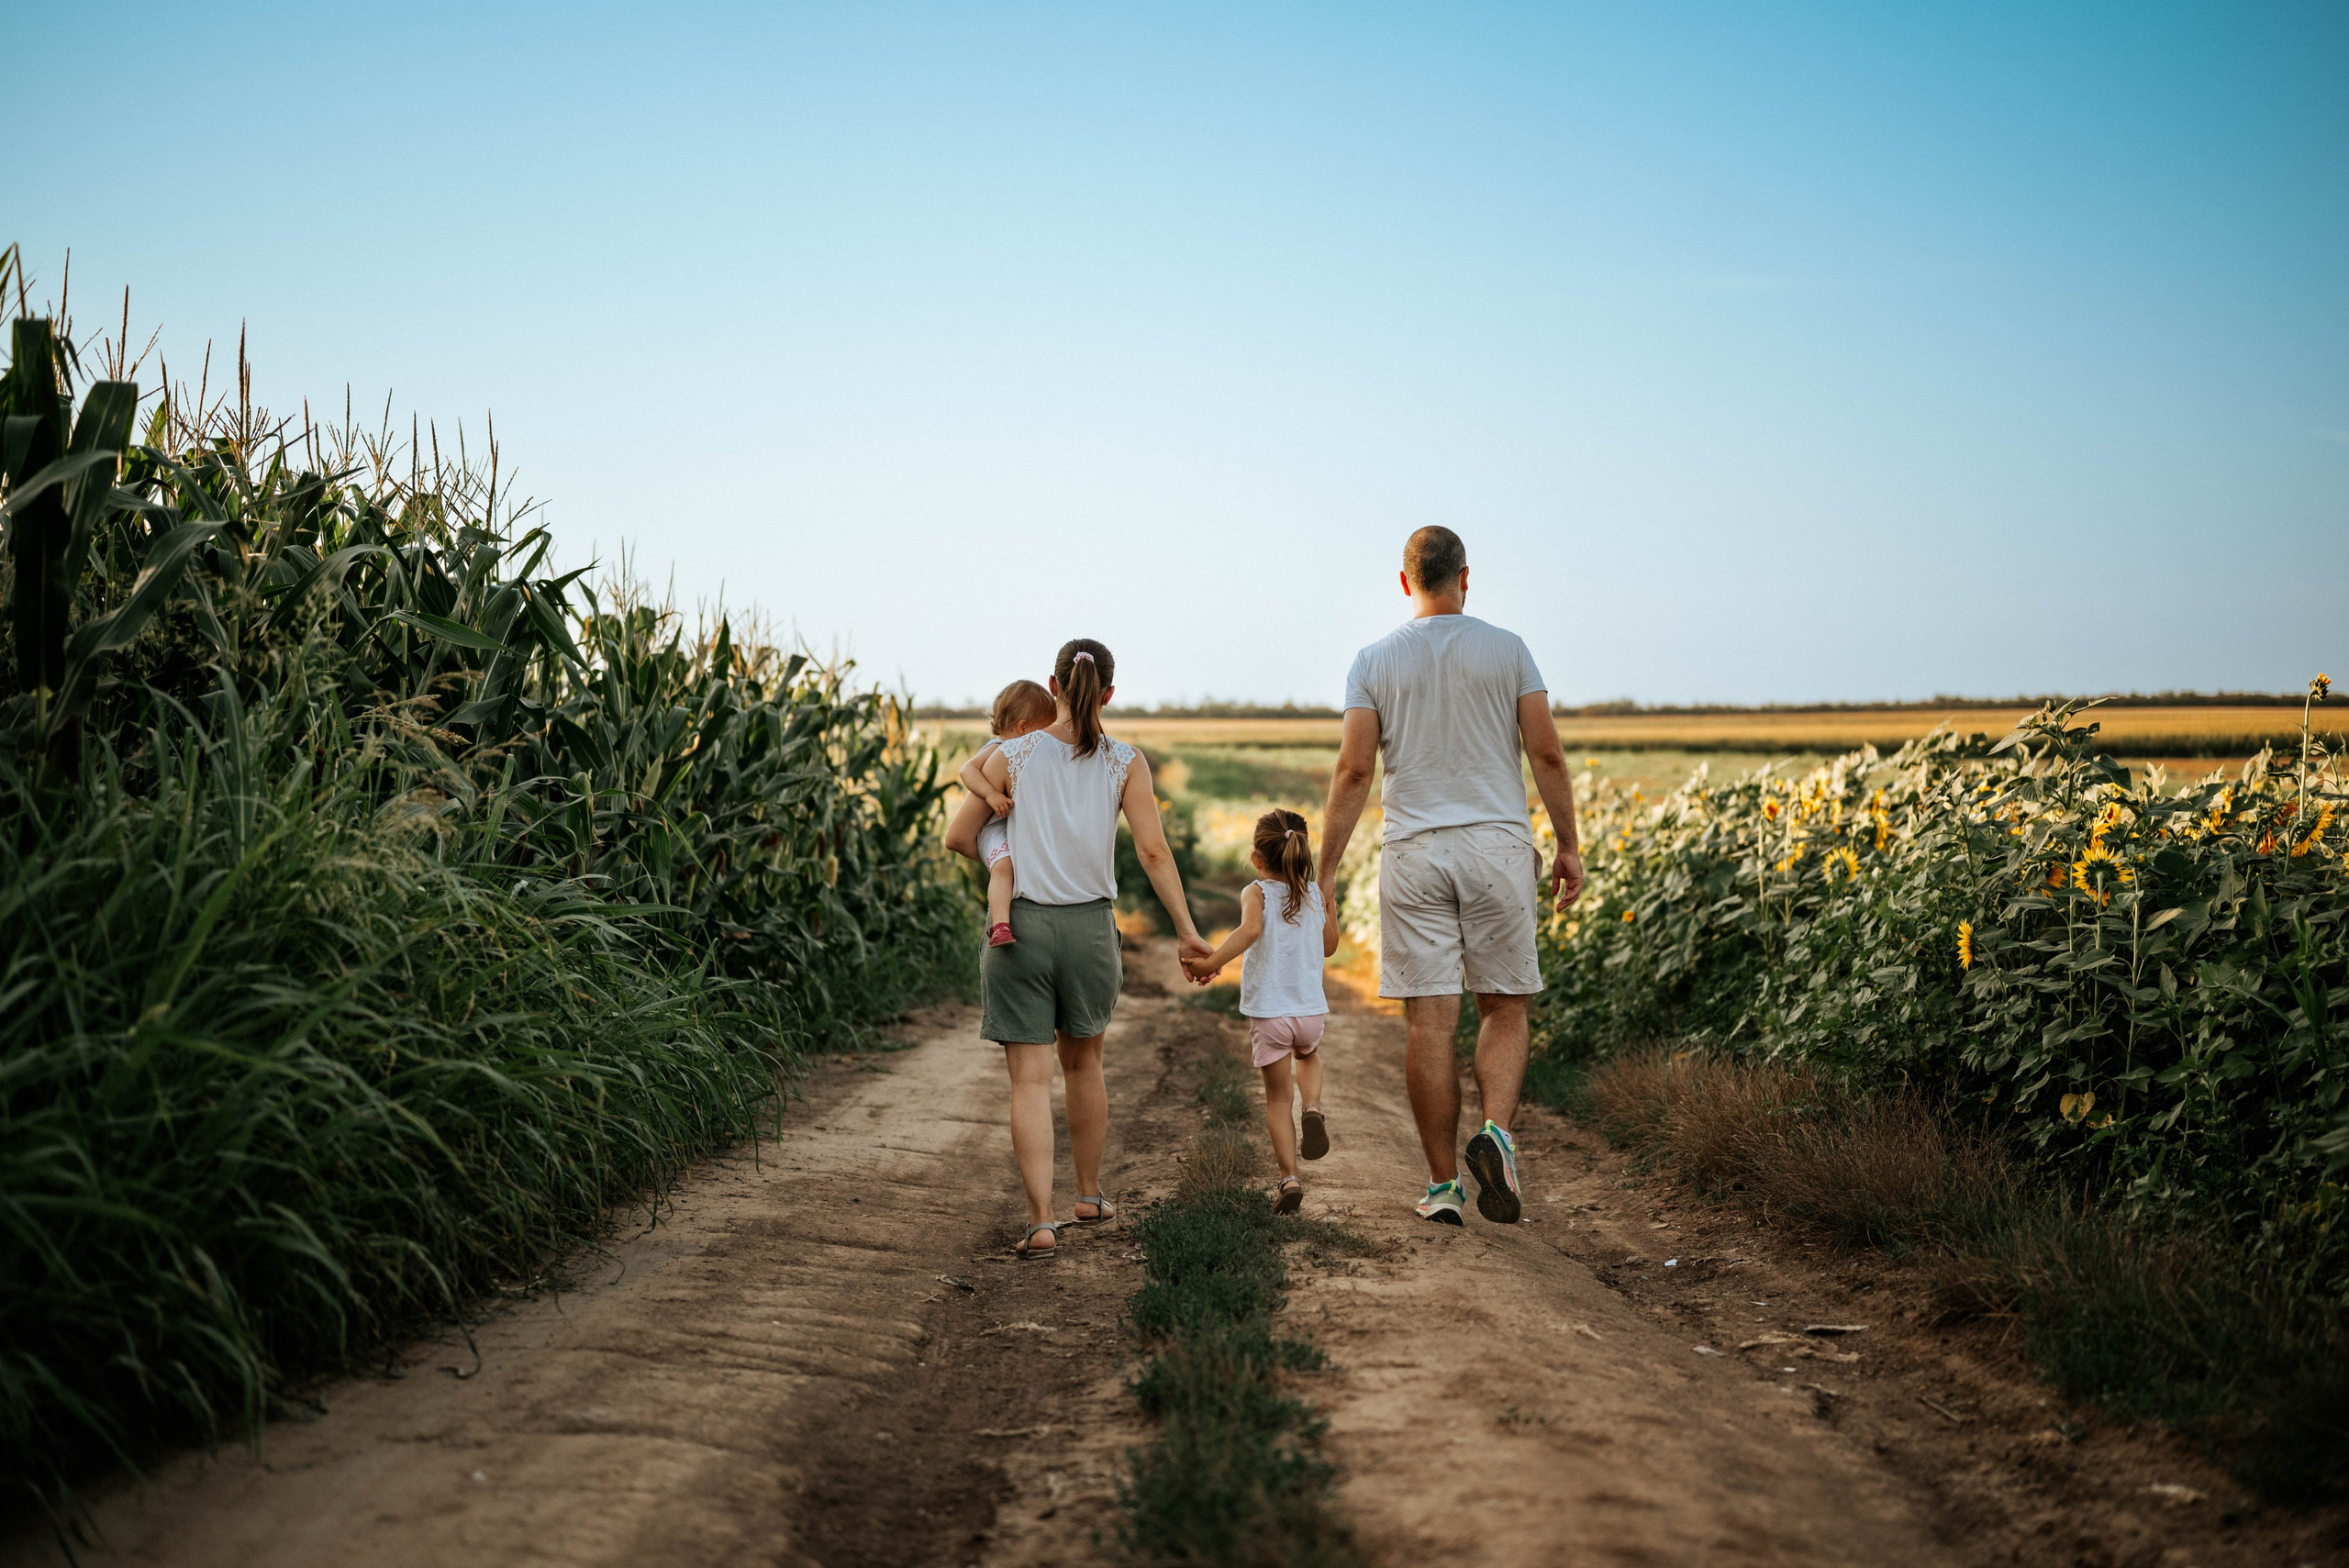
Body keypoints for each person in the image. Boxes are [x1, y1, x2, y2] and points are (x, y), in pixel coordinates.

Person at [1315, 527, 1585, 1228]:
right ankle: (1495, 1133)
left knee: (1429, 1024)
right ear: (1466, 578)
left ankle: (1442, 1188)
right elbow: (1546, 753)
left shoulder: (1373, 660)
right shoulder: (1509, 648)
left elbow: (1353, 770)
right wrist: (1568, 844)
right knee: (1504, 1005)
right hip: (1496, 847)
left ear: (1405, 583)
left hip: (1415, 854)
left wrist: (1325, 871)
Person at [944, 639, 1213, 1260]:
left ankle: (1041, 1220)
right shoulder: (1126, 762)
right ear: (1110, 694)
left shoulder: (1012, 753)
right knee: (1084, 1066)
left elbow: (959, 836)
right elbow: (1152, 851)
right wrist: (1187, 928)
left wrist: (1001, 839)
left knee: (1029, 1083)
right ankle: (1089, 1195)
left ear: (1053, 685)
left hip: (1023, 931)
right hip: (1091, 931)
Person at [1184, 808, 1341, 1213]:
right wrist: (1331, 905)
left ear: (1257, 858)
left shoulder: (1256, 892)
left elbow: (1249, 931)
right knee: (1309, 1055)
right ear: (1303, 852)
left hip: (1271, 1014)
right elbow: (1328, 946)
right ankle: (1313, 1107)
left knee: (1275, 1100)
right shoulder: (1313, 893)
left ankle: (1289, 1178)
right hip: (1309, 1012)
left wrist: (1212, 962)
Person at [958, 679, 1060, 947]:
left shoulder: (1018, 755)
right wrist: (990, 794)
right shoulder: (998, 749)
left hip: (1003, 826)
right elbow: (967, 770)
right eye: (1044, 731)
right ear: (1023, 727)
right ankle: (1000, 925)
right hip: (990, 828)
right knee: (1004, 867)